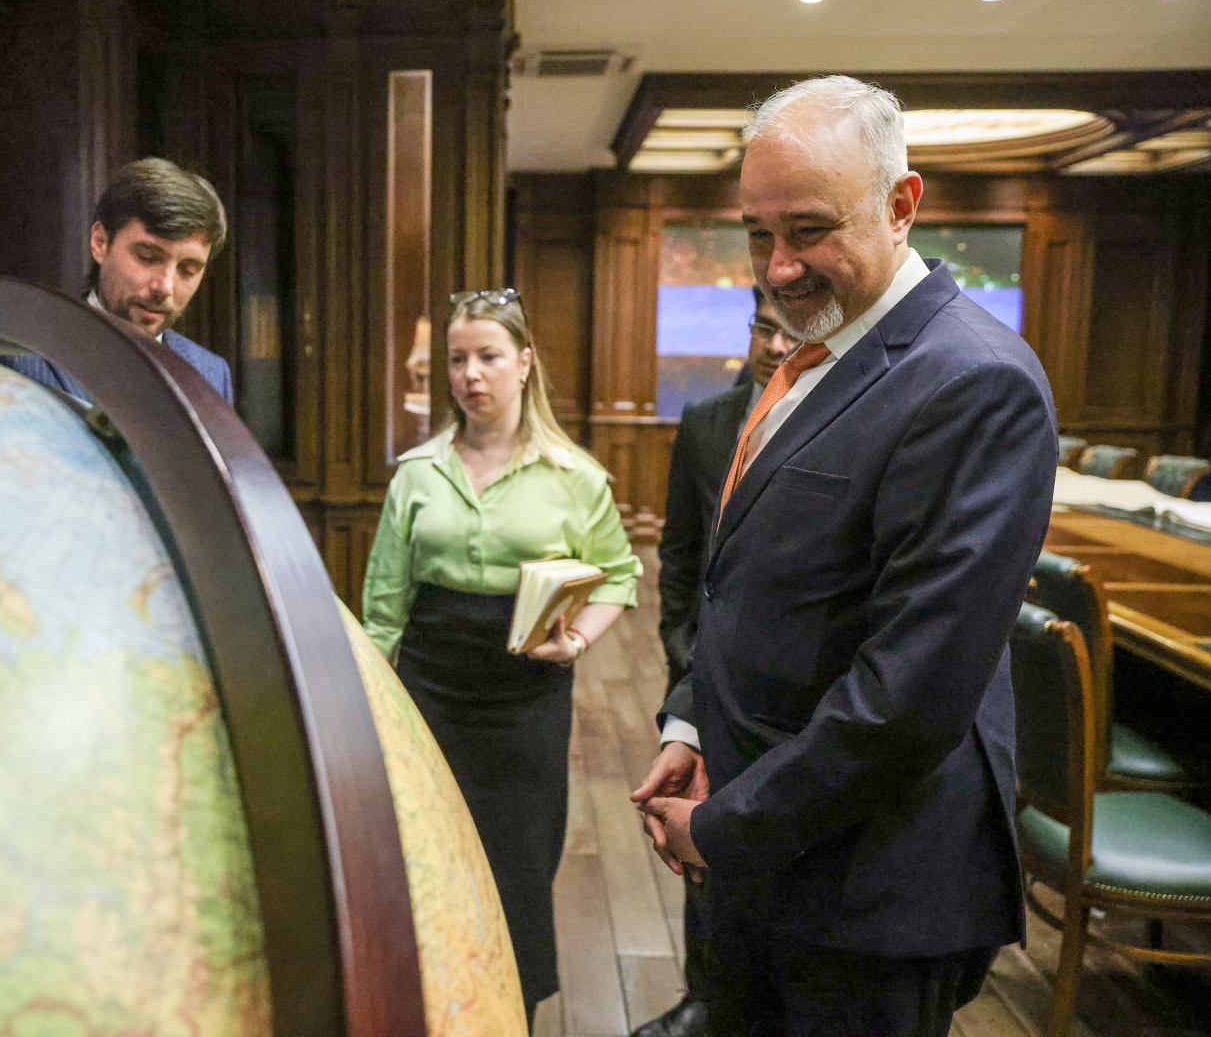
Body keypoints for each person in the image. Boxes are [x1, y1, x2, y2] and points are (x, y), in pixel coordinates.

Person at [633, 75, 1057, 1037]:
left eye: (810, 230)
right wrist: (690, 727)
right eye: (756, 233)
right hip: (762, 849)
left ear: (901, 206)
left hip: (869, 894)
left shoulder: (973, 383)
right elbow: (748, 586)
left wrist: (723, 830)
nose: (777, 269)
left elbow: (908, 696)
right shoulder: (816, 350)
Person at [362, 289, 641, 1025]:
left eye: (487, 356)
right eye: (457, 359)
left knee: (517, 863)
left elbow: (619, 575)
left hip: (524, 691)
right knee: (425, 856)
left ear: (523, 364)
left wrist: (577, 640)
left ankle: (502, 1010)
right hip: (429, 685)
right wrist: (376, 709)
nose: (470, 374)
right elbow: (385, 602)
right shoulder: (416, 472)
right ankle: (428, 1003)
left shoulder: (573, 475)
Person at [633, 288, 794, 1037]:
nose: (772, 343)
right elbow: (678, 556)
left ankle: (754, 995)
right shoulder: (704, 424)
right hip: (699, 674)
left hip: (781, 681)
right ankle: (705, 995)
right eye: (763, 326)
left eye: (787, 330)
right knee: (692, 824)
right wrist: (683, 656)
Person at [0, 157, 234, 404]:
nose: (165, 287)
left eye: (187, 270)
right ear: (100, 242)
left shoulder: (211, 373)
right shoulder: (18, 357)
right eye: (147, 257)